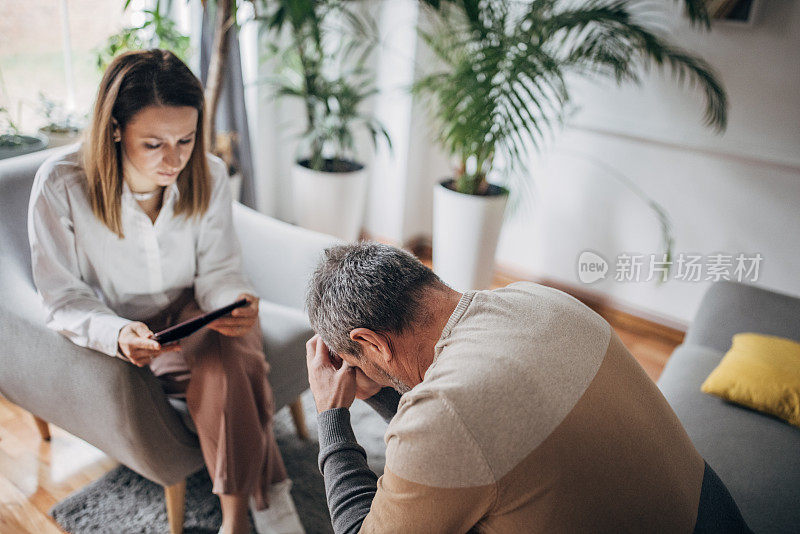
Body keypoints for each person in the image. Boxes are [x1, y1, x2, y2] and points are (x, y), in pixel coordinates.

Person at [28, 49, 304, 534]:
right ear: (115, 128)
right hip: (122, 323)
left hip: (193, 309)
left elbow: (219, 269)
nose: (174, 159)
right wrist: (116, 333)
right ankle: (270, 501)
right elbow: (62, 298)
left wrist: (231, 300)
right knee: (240, 369)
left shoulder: (208, 174)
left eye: (186, 139)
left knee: (233, 359)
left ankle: (235, 521)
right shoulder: (61, 185)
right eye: (153, 143)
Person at [303, 242, 752, 533]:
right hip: (714, 513)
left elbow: (359, 526)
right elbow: (465, 443)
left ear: (369, 343)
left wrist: (331, 416)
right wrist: (380, 388)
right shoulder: (539, 298)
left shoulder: (444, 416)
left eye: (355, 356)